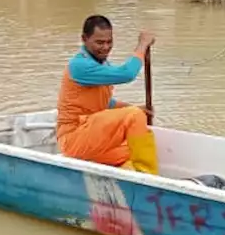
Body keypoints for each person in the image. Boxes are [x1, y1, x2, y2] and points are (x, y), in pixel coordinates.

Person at [56, 15, 158, 174]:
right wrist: (142, 45)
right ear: (84, 39)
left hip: (91, 136)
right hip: (74, 137)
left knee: (132, 149)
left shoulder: (102, 64)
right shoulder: (80, 65)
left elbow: (106, 103)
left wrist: (135, 107)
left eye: (109, 42)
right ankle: (150, 179)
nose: (105, 47)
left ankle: (129, 178)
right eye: (99, 42)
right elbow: (127, 74)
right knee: (133, 116)